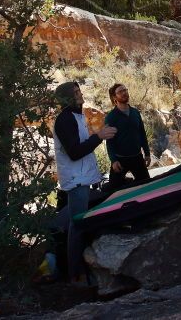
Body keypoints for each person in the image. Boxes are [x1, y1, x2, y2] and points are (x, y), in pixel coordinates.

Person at [52, 81, 116, 286]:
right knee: (77, 224)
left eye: (79, 91)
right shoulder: (64, 120)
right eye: (76, 92)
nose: (80, 95)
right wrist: (99, 136)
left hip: (81, 177)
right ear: (67, 98)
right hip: (76, 180)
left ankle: (79, 271)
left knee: (78, 222)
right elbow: (74, 152)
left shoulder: (76, 117)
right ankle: (76, 275)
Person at [104, 83, 151, 191]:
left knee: (147, 186)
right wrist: (114, 161)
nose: (124, 93)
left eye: (125, 90)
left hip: (137, 157)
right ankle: (126, 181)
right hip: (120, 160)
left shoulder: (135, 113)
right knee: (113, 191)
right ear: (114, 97)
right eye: (120, 92)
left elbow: (142, 134)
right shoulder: (111, 117)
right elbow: (109, 141)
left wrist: (147, 153)